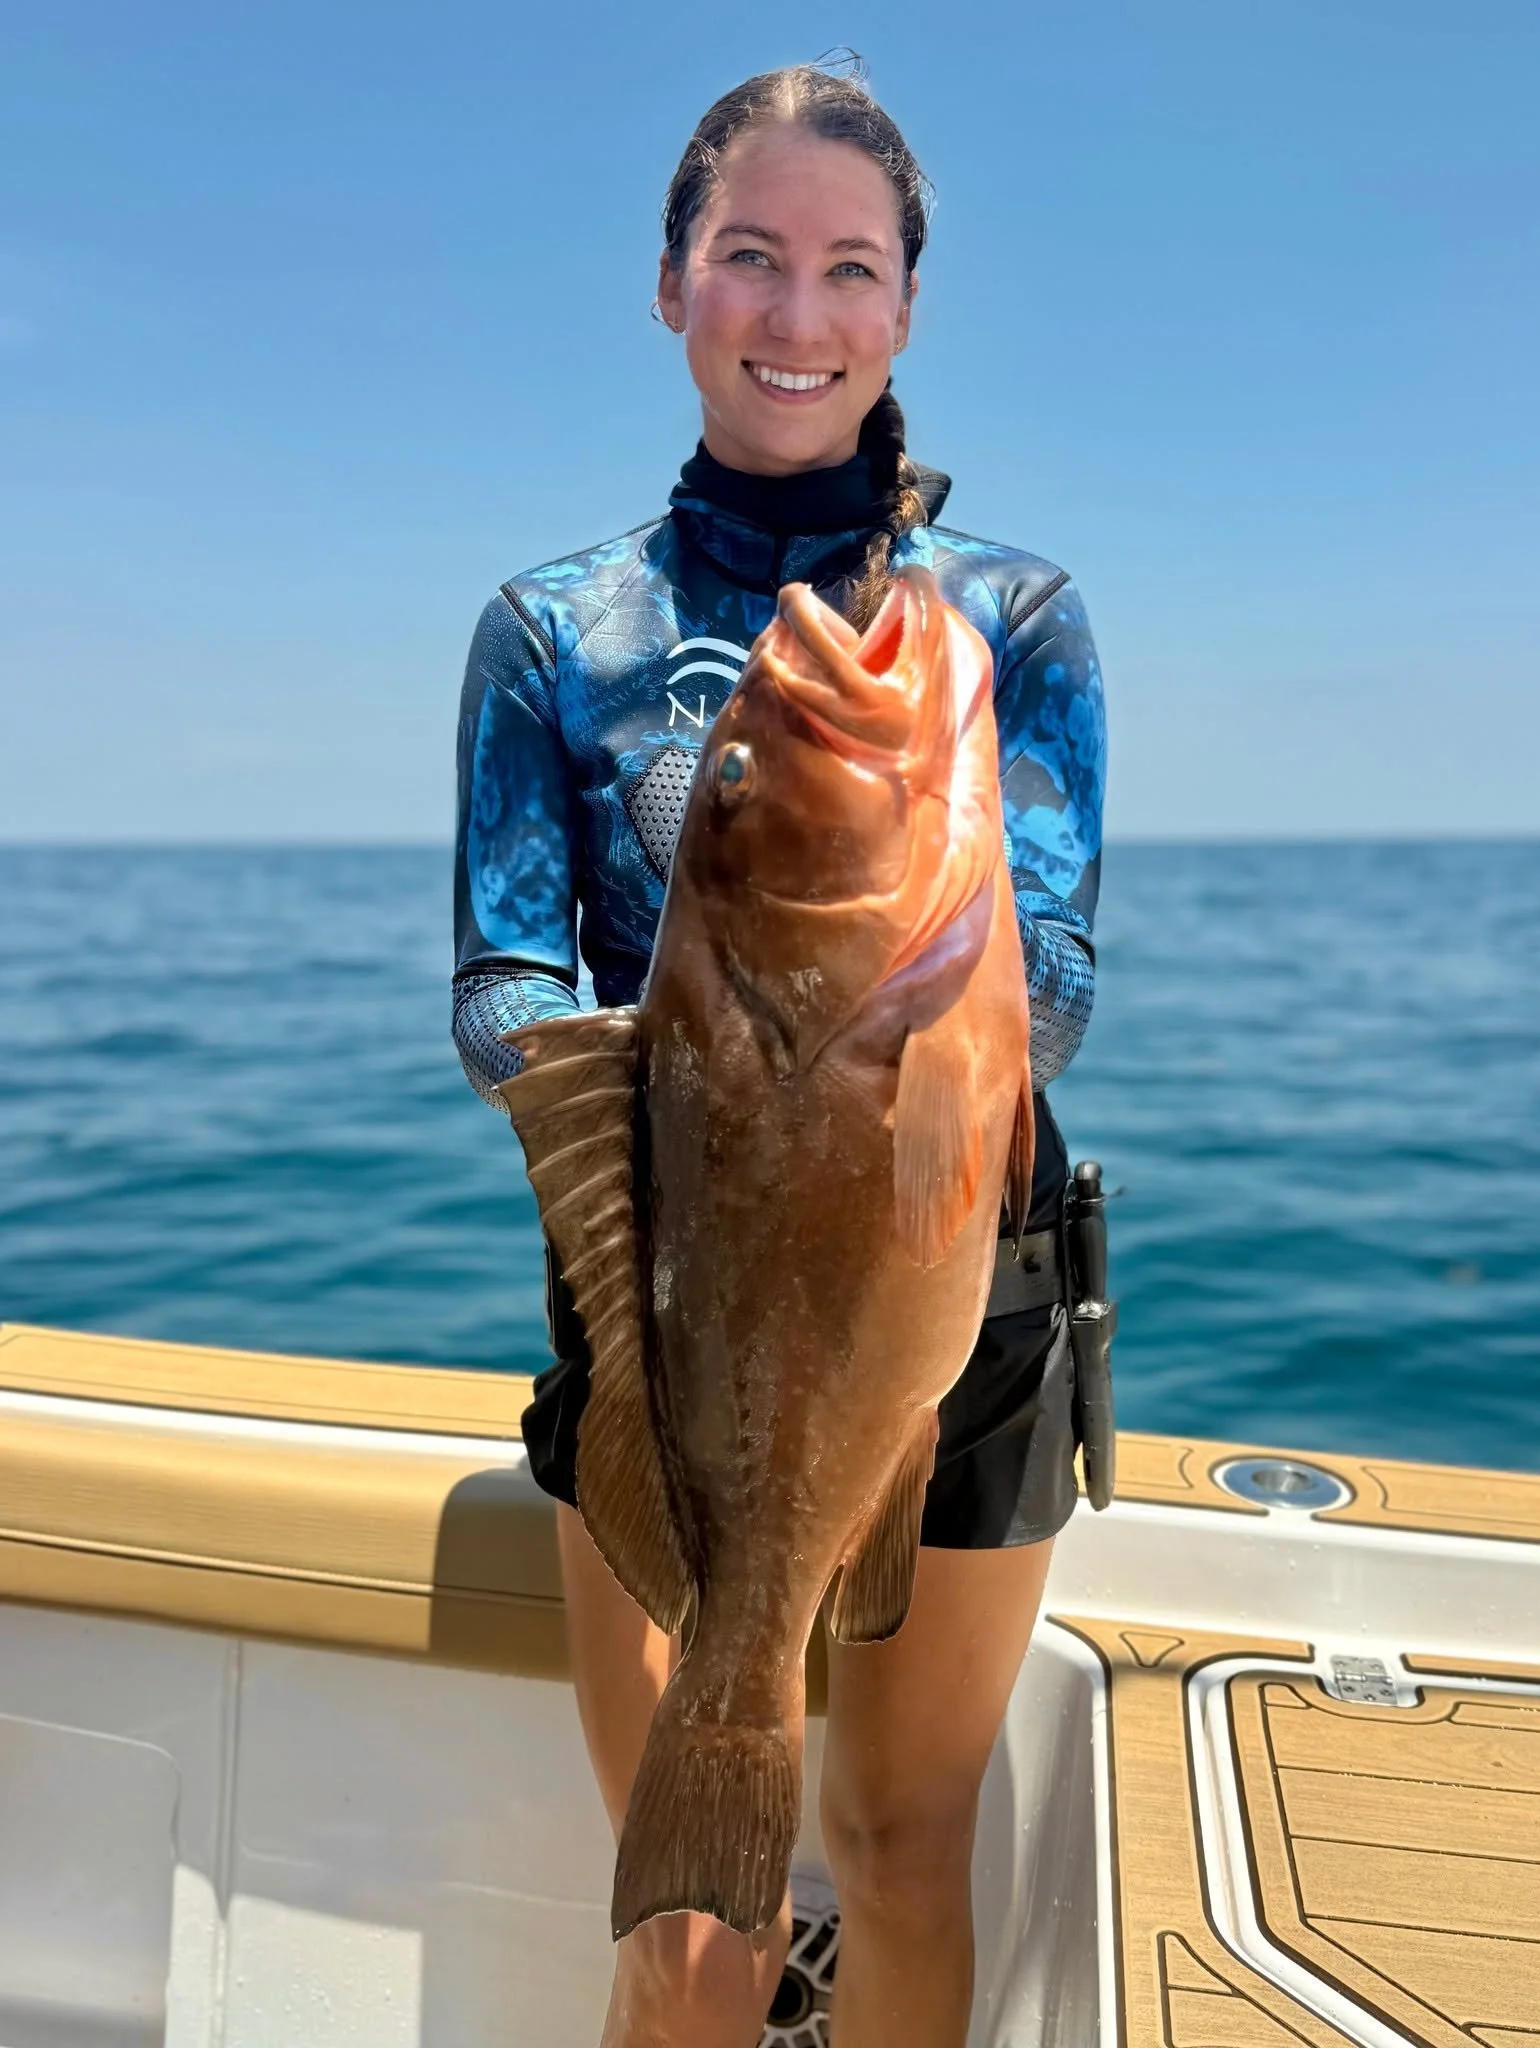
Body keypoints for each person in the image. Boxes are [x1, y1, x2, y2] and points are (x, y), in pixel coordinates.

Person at [450, 58, 1106, 2048]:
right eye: (751, 258)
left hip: (956, 1307)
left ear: (905, 305)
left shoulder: (1014, 625)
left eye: (847, 267)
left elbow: (1059, 974)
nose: (796, 315)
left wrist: (855, 1008)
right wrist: (690, 1056)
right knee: (690, 1924)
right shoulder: (557, 629)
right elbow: (496, 974)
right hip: (675, 1316)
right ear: (673, 287)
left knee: (904, 1850)